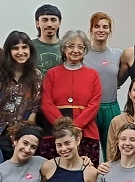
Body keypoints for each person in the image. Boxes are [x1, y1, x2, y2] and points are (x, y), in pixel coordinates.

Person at [0, 31, 43, 159]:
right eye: (15, 48)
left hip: (20, 136)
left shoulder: (36, 76)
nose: (20, 52)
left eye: (24, 47)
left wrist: (24, 134)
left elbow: (34, 109)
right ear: (8, 51)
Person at [40, 29, 102, 164]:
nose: (76, 50)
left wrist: (75, 127)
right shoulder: (52, 74)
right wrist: (63, 126)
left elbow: (94, 104)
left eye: (80, 47)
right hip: (55, 131)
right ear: (63, 49)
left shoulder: (93, 75)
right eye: (71, 46)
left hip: (86, 131)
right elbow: (46, 103)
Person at [84, 12, 122, 158]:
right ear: (91, 29)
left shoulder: (117, 54)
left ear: (109, 31)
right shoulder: (83, 54)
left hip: (111, 107)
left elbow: (120, 77)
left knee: (112, 152)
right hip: (89, 109)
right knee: (90, 153)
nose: (101, 30)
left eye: (105, 27)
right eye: (97, 26)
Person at [32, 3, 63, 73]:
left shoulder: (66, 47)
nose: (49, 24)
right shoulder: (28, 47)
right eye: (45, 20)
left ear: (59, 23)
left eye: (53, 20)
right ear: (37, 23)